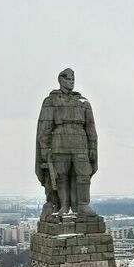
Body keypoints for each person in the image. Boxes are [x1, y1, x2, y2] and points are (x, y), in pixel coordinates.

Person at [35, 67, 98, 217]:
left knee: (83, 174)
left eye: (73, 79)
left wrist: (93, 147)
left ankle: (83, 204)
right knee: (60, 176)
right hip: (59, 141)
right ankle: (63, 205)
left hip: (80, 142)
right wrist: (44, 149)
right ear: (60, 80)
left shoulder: (83, 102)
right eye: (68, 79)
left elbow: (90, 127)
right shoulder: (51, 101)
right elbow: (44, 127)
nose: (71, 82)